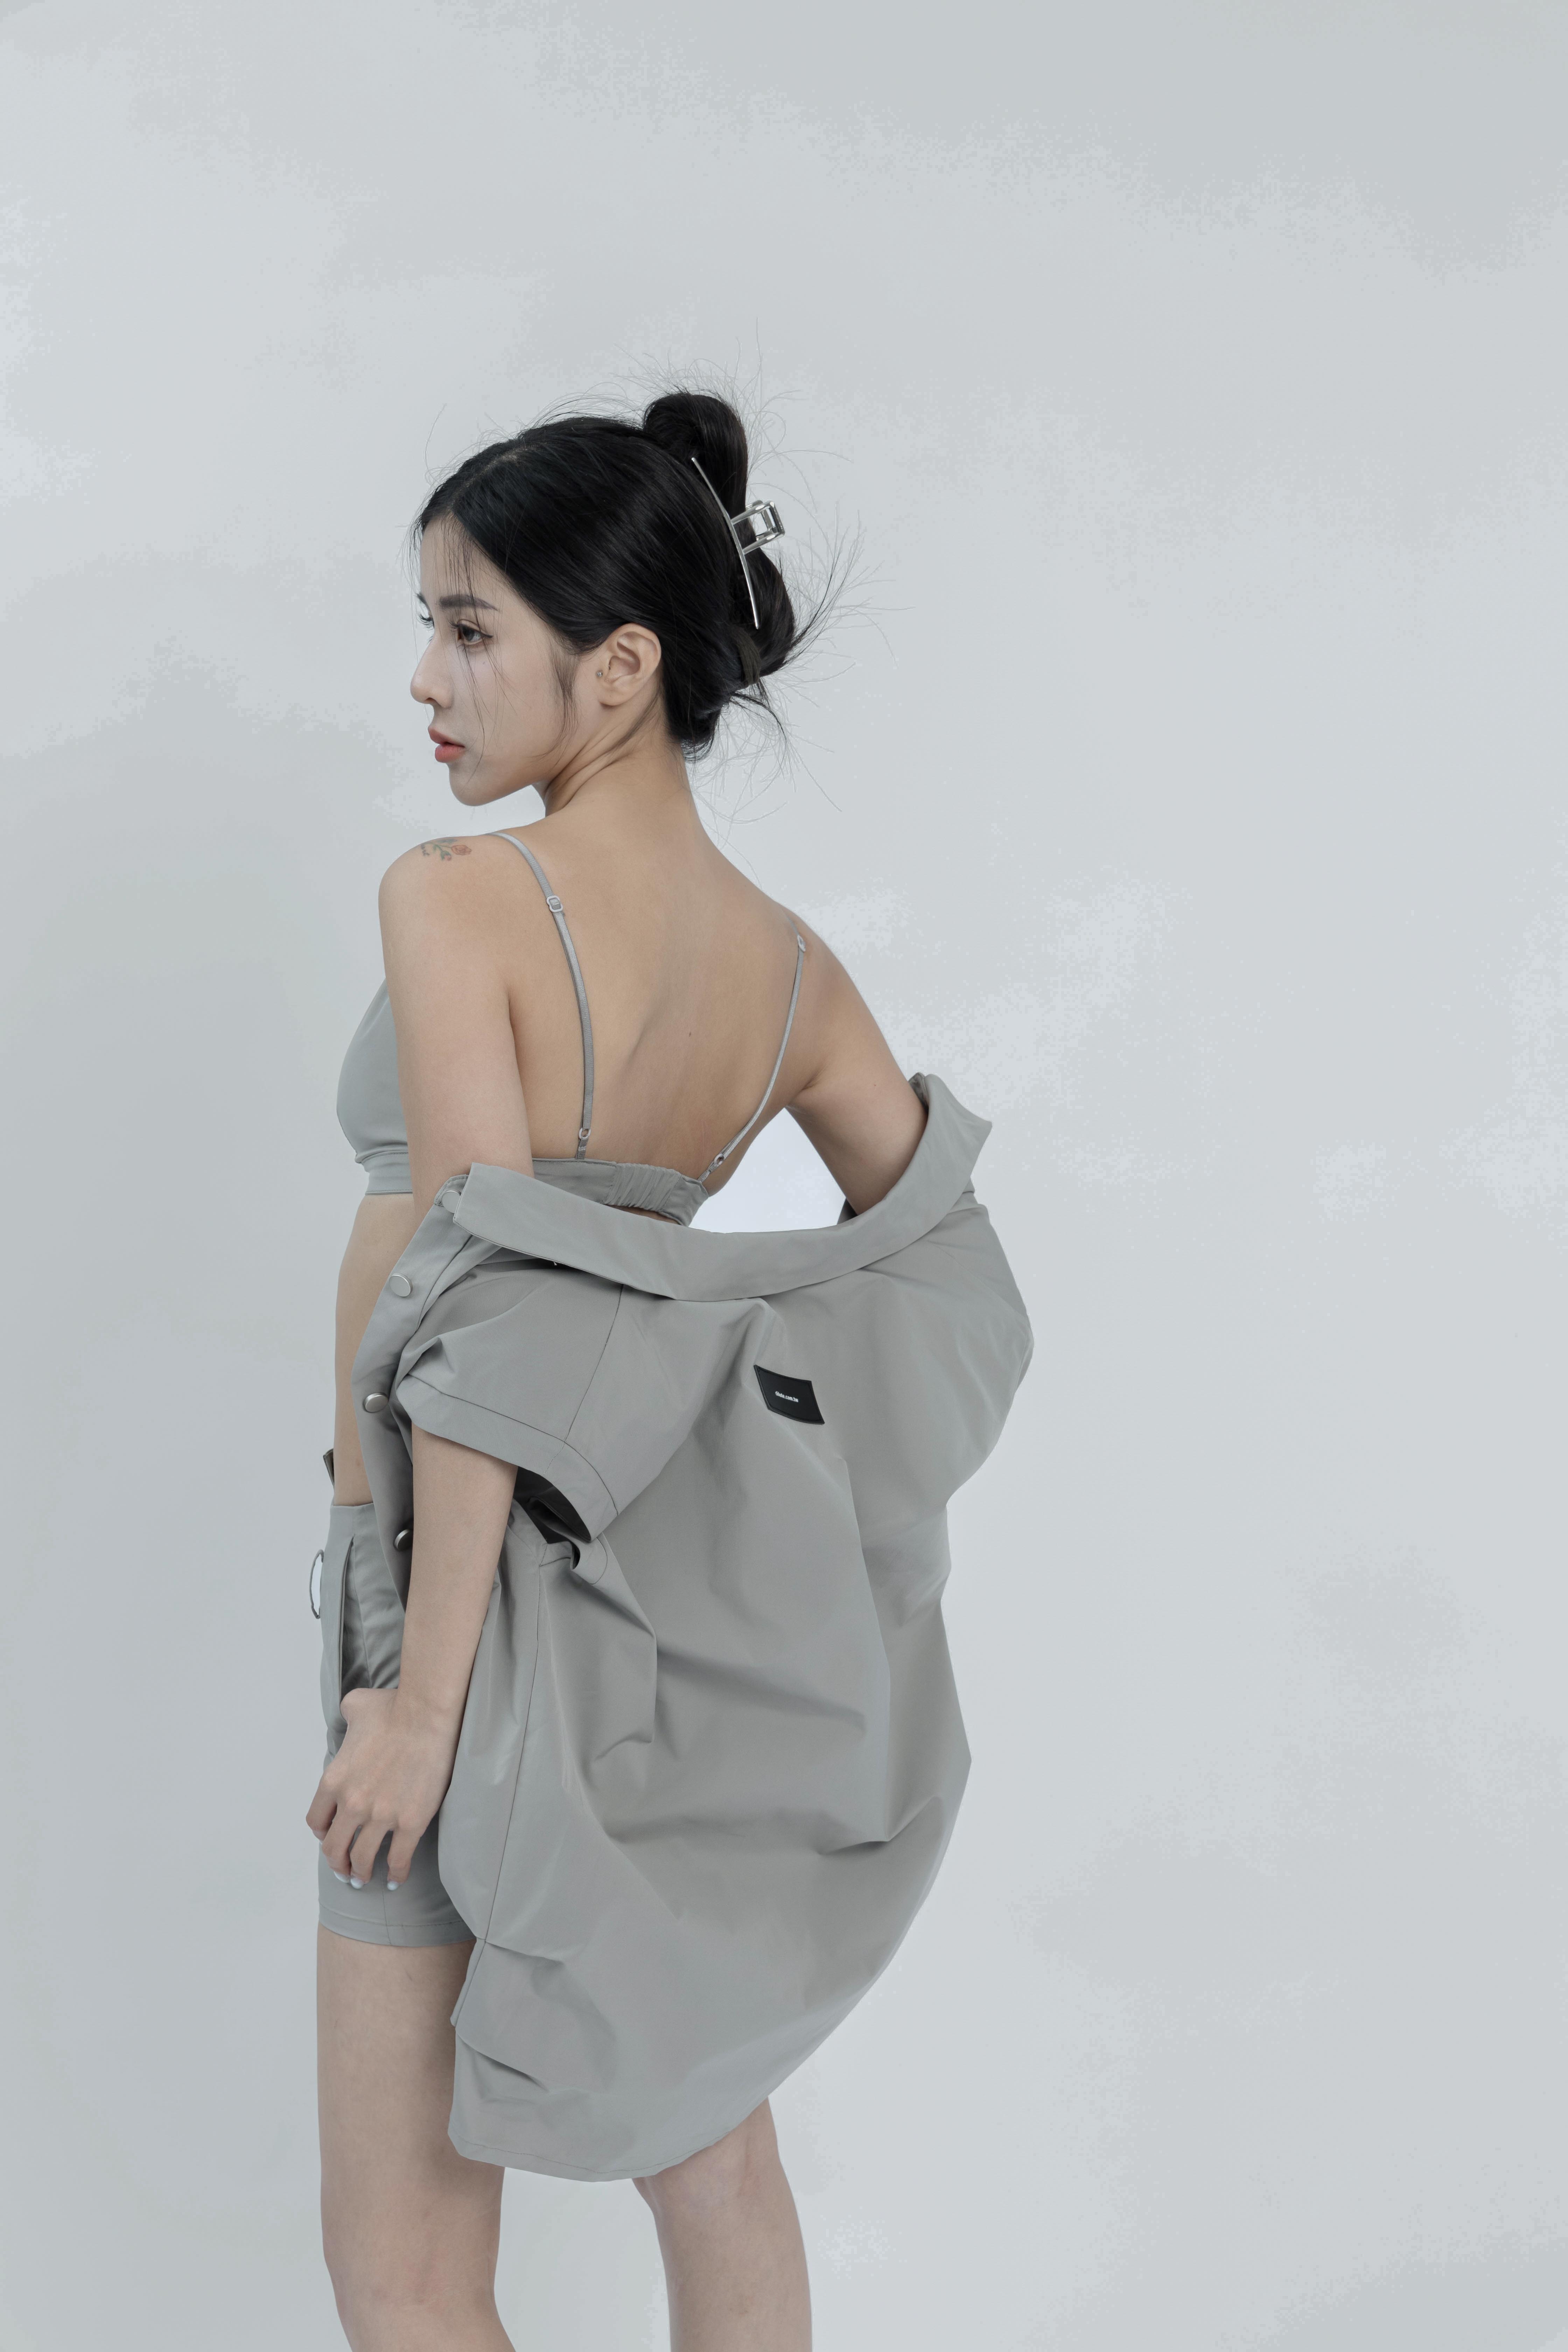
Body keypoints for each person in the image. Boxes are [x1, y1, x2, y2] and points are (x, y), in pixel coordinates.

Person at [307, 389, 1030, 2351]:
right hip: (642, 1588)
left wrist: (421, 1701)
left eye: (470, 629)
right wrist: (743, 1446)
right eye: (430, 626)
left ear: (618, 668)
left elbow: (486, 1306)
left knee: (403, 2268)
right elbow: (954, 1275)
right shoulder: (787, 968)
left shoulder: (460, 897)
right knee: (712, 2152)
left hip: (445, 1587)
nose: (426, 679)